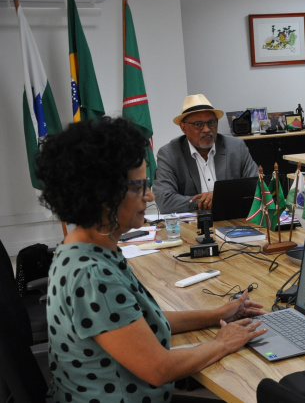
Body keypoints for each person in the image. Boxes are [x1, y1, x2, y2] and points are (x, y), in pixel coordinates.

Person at [35, 117, 267, 402]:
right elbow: (159, 368)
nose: (148, 195)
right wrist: (223, 342)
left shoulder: (88, 248)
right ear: (101, 196)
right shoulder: (93, 274)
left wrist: (217, 314)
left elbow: (140, 320)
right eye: (137, 187)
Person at [153, 94, 258, 213]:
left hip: (233, 220)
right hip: (193, 225)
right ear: (183, 127)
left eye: (211, 122)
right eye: (198, 124)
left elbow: (257, 189)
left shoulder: (236, 148)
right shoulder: (169, 154)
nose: (207, 129)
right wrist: (204, 202)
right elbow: (165, 201)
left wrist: (219, 197)